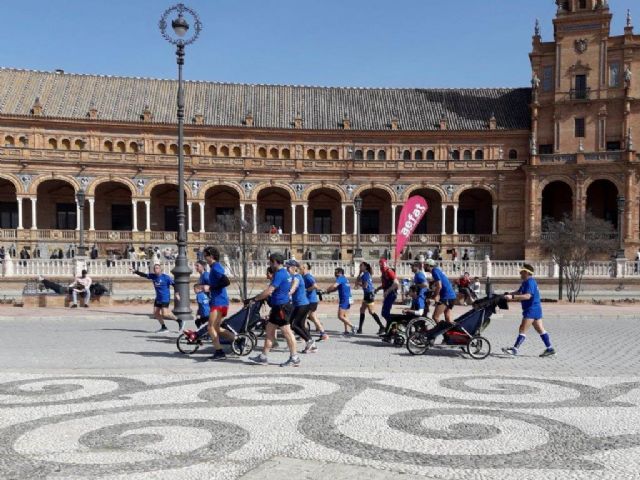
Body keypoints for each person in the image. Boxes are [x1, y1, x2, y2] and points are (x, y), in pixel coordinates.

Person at [249, 253, 300, 367]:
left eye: (270, 262)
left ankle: (294, 357)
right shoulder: (285, 273)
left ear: (275, 262)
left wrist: (255, 299)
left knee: (287, 331)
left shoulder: (279, 274)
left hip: (282, 307)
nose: (269, 265)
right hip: (278, 306)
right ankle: (263, 357)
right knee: (269, 330)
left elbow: (269, 291)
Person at [502, 264, 556, 357]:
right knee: (540, 329)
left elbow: (527, 296)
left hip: (531, 309)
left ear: (527, 272)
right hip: (535, 308)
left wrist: (512, 297)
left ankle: (515, 350)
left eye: (521, 271)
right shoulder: (525, 282)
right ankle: (550, 349)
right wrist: (508, 294)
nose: (520, 273)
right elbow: (519, 292)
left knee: (522, 328)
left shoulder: (530, 282)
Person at [202, 246, 233, 361]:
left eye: (205, 255)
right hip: (221, 301)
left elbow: (226, 281)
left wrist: (210, 287)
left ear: (211, 256)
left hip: (219, 302)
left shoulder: (216, 267)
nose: (204, 258)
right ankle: (237, 339)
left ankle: (219, 352)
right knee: (217, 328)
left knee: (210, 327)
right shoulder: (214, 267)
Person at [132, 264, 181, 333]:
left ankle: (179, 321)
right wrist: (136, 271)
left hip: (165, 297)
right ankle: (164, 327)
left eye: (157, 268)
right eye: (155, 268)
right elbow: (144, 275)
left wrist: (177, 294)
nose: (156, 270)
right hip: (158, 298)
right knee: (156, 313)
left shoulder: (166, 277)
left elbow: (175, 285)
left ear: (161, 269)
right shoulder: (153, 276)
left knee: (165, 314)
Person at [286, 260, 317, 353]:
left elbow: (293, 288)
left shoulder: (297, 277)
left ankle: (309, 341)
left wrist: (288, 293)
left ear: (293, 268)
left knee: (293, 324)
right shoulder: (293, 277)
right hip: (301, 304)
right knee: (301, 325)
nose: (287, 269)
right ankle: (312, 345)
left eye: (288, 267)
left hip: (301, 305)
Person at [300, 262, 329, 341]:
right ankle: (323, 334)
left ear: (304, 269)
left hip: (309, 301)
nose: (299, 270)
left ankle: (304, 336)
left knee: (303, 318)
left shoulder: (307, 277)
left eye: (301, 268)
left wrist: (306, 290)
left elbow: (315, 286)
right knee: (313, 317)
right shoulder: (306, 277)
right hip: (312, 301)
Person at [355, 262, 384, 334]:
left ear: (365, 267)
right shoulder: (365, 274)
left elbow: (365, 286)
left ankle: (382, 326)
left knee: (371, 311)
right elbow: (358, 281)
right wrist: (359, 274)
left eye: (361, 266)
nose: (359, 267)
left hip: (369, 294)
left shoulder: (365, 275)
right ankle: (360, 329)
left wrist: (358, 283)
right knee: (362, 310)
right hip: (367, 294)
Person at [424, 259, 457, 324]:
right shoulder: (437, 270)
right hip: (452, 296)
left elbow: (439, 286)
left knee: (435, 317)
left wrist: (434, 296)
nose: (424, 266)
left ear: (429, 265)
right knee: (447, 317)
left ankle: (443, 331)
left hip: (446, 297)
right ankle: (451, 332)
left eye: (425, 265)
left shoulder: (434, 271)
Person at [325, 267, 355, 335]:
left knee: (340, 316)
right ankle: (346, 331)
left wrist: (327, 290)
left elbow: (334, 286)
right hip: (349, 298)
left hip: (344, 299)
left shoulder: (340, 278)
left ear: (340, 273)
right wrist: (329, 292)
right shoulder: (345, 279)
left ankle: (352, 326)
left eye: (336, 272)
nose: (334, 274)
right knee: (345, 316)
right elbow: (336, 289)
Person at [375, 258, 399, 330]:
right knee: (384, 313)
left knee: (385, 313)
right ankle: (391, 328)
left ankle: (394, 327)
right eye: (380, 266)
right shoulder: (384, 272)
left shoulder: (389, 271)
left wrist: (387, 291)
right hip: (388, 294)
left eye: (382, 266)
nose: (381, 268)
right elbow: (385, 285)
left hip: (391, 294)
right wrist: (377, 289)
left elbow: (396, 283)